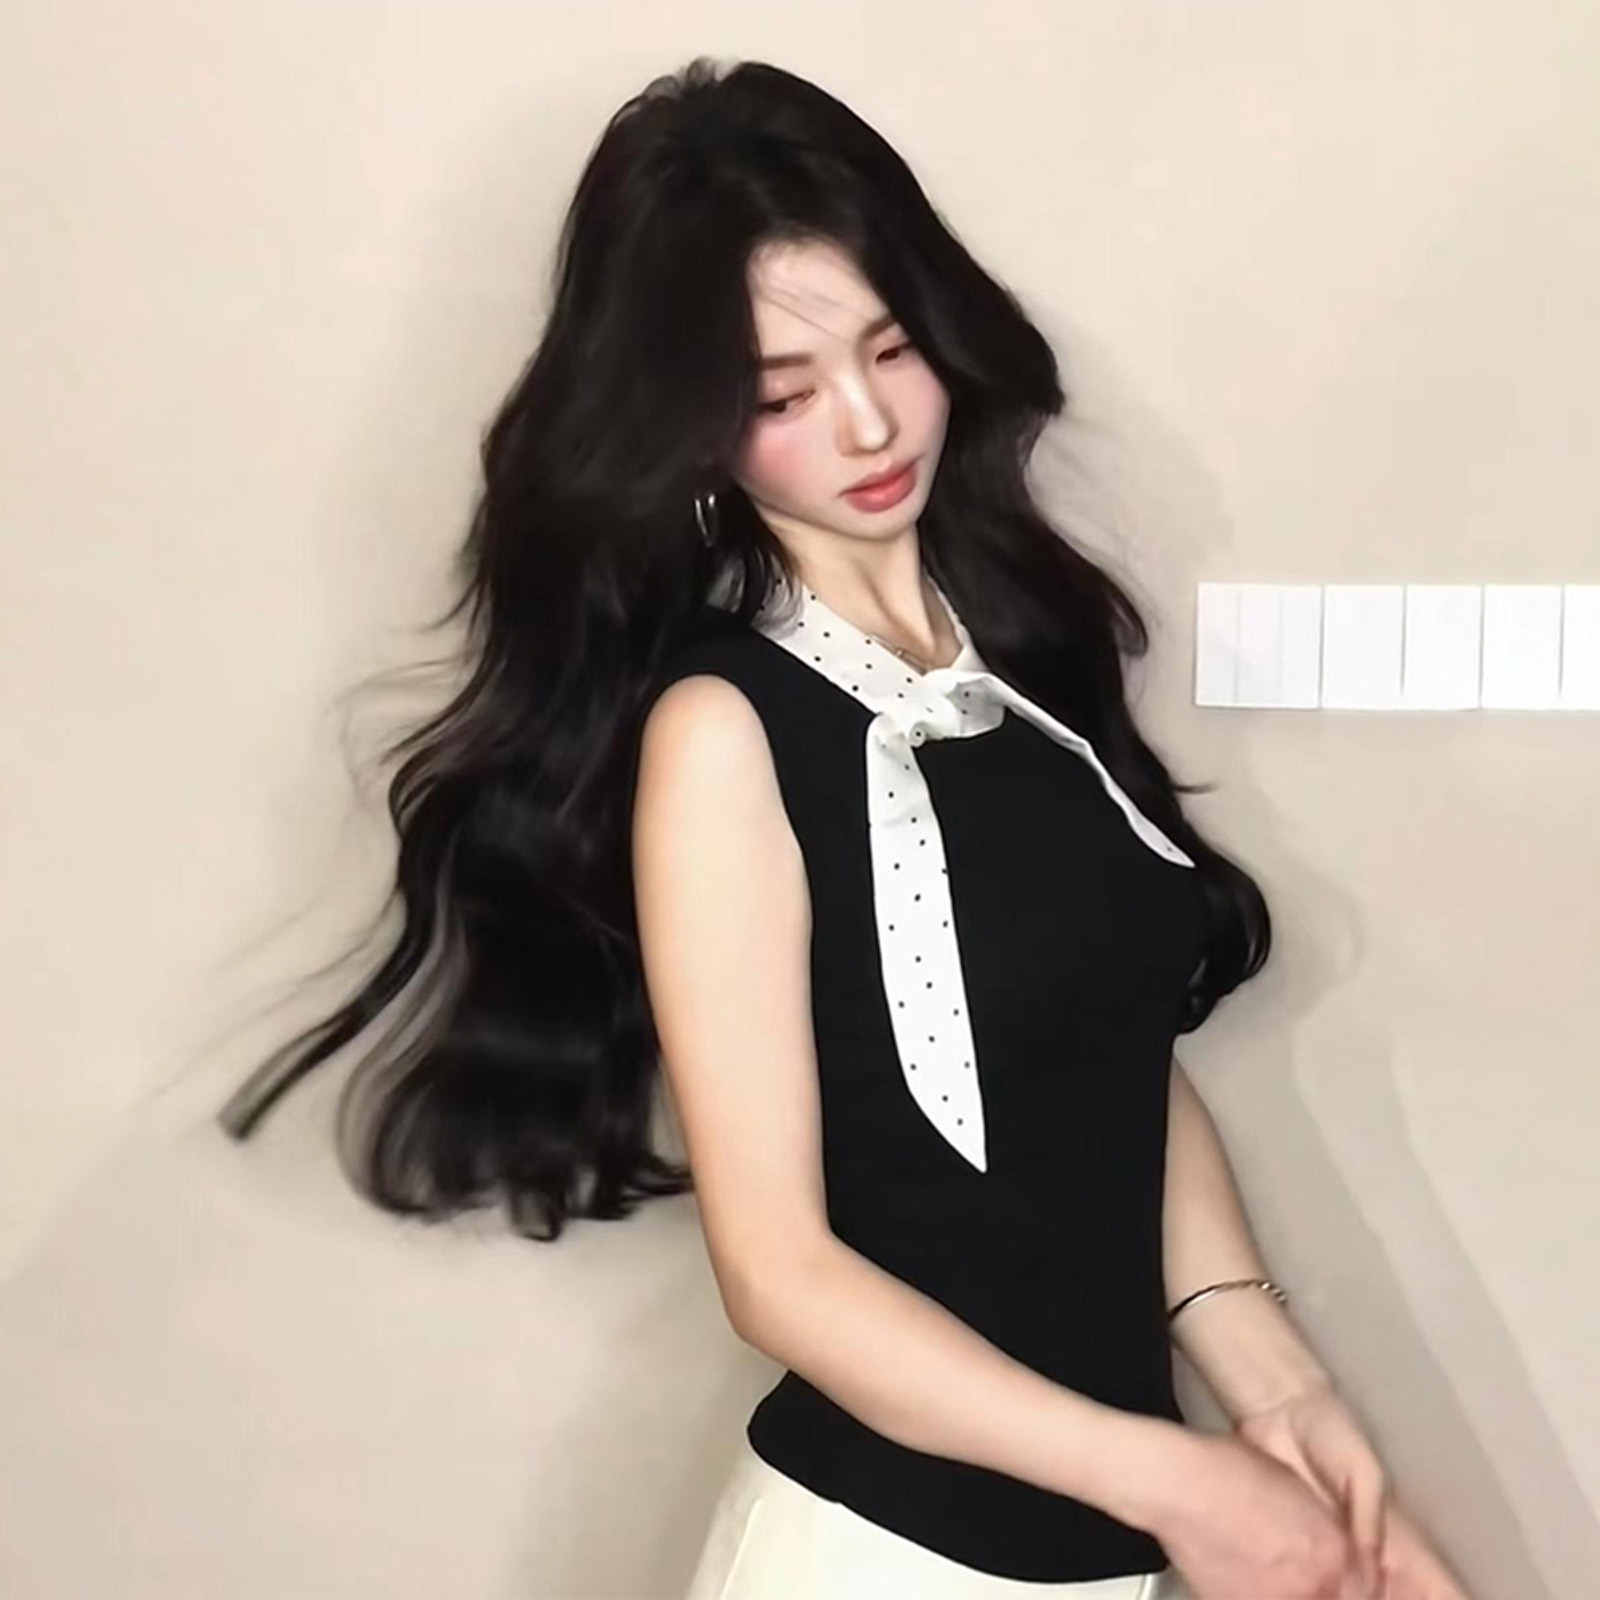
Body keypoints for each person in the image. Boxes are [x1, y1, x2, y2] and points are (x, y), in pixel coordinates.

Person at [217, 56, 1472, 1600]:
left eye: (891, 348)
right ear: (693, 429)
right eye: (783, 395)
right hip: (883, 1553)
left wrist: (1279, 1392)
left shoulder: (1020, 657)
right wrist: (1178, 1480)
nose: (871, 425)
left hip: (1097, 1546)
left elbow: (1102, 1058)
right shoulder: (722, 733)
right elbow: (782, 1277)